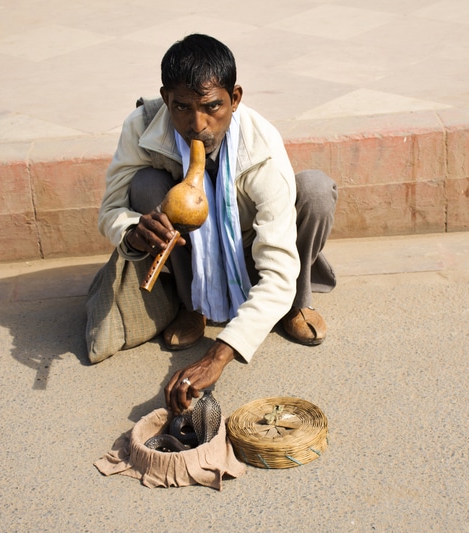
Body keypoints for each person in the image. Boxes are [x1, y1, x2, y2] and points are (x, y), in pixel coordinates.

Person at [98, 34, 337, 414]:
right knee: (144, 186)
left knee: (316, 191)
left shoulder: (262, 147)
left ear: (235, 98)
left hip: (249, 242)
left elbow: (277, 267)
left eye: (212, 107)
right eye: (181, 108)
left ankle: (296, 304)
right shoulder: (142, 126)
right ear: (166, 98)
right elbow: (110, 210)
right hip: (188, 246)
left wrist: (218, 356)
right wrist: (133, 232)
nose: (198, 125)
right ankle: (192, 305)